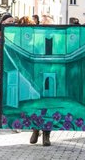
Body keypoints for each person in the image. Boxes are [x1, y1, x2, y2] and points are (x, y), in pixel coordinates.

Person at [30, 15, 54, 146]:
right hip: (37, 74)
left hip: (50, 74)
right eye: (43, 23)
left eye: (47, 24)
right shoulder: (36, 38)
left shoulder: (55, 39)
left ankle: (46, 135)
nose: (45, 26)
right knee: (36, 104)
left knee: (48, 105)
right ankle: (35, 129)